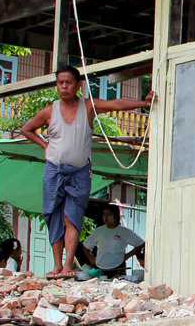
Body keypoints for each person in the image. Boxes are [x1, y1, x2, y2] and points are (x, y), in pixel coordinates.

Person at [19, 65, 154, 278]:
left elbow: (116, 104)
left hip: (80, 172)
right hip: (54, 171)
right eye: (60, 82)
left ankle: (68, 265)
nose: (63, 86)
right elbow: (26, 129)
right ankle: (56, 265)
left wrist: (143, 103)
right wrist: (44, 146)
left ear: (78, 85)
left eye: (68, 82)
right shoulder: (49, 111)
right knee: (54, 216)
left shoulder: (88, 106)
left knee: (71, 217)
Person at [80, 204, 144, 278]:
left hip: (118, 266)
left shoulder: (124, 231)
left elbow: (141, 243)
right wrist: (92, 259)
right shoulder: (99, 231)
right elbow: (85, 246)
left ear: (116, 216)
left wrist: (127, 256)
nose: (105, 217)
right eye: (104, 214)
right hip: (100, 267)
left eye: (109, 214)